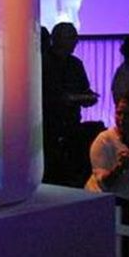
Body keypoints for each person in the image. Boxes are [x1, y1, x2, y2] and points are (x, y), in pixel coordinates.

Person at [42, 22, 99, 186]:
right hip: (48, 127)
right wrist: (69, 98)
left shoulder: (76, 64)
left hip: (71, 125)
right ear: (56, 38)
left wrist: (89, 97)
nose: (76, 41)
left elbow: (85, 89)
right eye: (71, 37)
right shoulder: (42, 62)